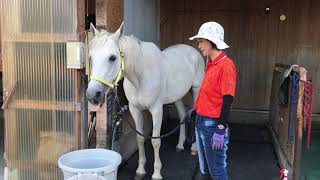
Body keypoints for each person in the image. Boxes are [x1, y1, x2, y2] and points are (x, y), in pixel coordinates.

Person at [187, 21, 237, 180]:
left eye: (201, 41)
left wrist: (221, 127)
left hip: (213, 126)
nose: (199, 45)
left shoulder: (226, 65)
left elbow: (228, 98)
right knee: (205, 169)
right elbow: (209, 93)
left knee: (217, 170)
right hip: (201, 121)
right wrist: (196, 110)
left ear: (211, 41)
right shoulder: (211, 64)